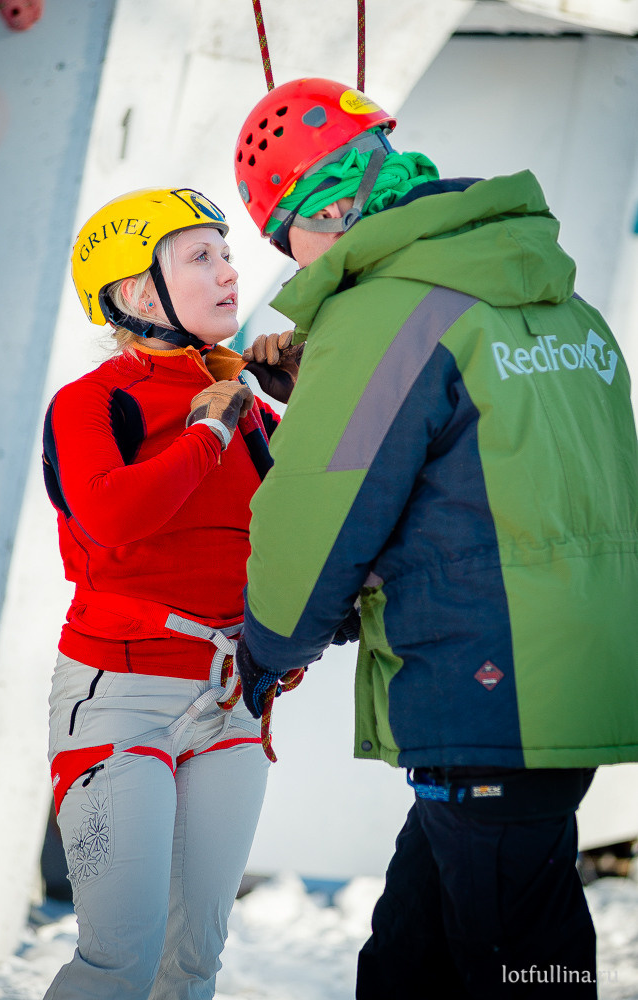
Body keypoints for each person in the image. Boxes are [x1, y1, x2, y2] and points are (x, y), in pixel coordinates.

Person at [232, 78, 638, 997]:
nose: (281, 259)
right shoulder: (548, 297)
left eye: (276, 233)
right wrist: (330, 392)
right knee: (412, 955)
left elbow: (321, 510)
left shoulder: (389, 311)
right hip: (563, 669)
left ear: (324, 209)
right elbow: (494, 461)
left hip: (491, 685)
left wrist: (267, 646)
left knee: (524, 966)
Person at [41, 186, 293, 1000]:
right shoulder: (92, 401)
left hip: (232, 697)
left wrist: (313, 392)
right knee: (120, 958)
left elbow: (332, 508)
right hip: (119, 696)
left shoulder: (242, 401)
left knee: (192, 962)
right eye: (202, 256)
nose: (230, 270)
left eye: (226, 251)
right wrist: (209, 429)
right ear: (139, 292)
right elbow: (113, 518)